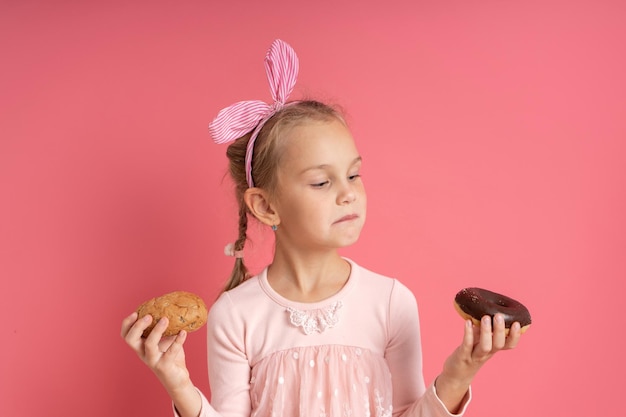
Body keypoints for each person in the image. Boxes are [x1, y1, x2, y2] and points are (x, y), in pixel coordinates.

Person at [121, 39, 523, 417]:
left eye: (354, 175)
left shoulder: (389, 303)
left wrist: (458, 374)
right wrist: (178, 383)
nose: (348, 194)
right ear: (265, 205)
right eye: (321, 182)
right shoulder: (236, 316)